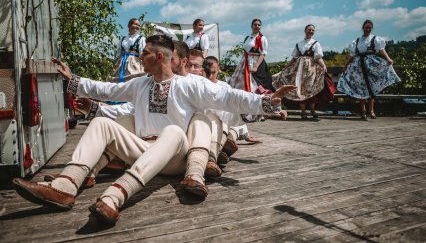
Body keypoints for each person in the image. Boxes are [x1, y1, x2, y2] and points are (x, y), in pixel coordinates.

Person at [12, 35, 293, 224]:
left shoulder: (190, 85)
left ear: (159, 57)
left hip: (175, 156)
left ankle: (115, 196)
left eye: (144, 53)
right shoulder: (140, 84)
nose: (140, 56)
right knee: (100, 123)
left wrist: (267, 101)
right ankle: (65, 186)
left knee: (173, 131)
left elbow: (230, 98)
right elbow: (108, 89)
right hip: (142, 149)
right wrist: (74, 80)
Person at [337, 20, 400, 119]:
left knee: (371, 89)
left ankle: (371, 111)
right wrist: (346, 65)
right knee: (361, 89)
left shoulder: (375, 39)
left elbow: (381, 50)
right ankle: (363, 111)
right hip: (359, 68)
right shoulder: (357, 41)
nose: (368, 29)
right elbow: (352, 56)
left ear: (371, 28)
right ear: (363, 28)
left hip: (371, 66)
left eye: (369, 27)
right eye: (366, 27)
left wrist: (388, 59)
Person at [273, 24, 335, 119]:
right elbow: (294, 58)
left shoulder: (316, 43)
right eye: (309, 29)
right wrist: (286, 68)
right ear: (305, 30)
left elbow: (318, 57)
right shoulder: (299, 44)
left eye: (312, 30)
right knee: (300, 89)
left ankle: (312, 110)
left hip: (311, 69)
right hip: (299, 70)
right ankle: (302, 111)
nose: (311, 31)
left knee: (310, 89)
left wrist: (323, 65)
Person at [229, 18, 275, 93]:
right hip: (245, 63)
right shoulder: (247, 37)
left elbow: (263, 53)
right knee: (240, 82)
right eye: (255, 25)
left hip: (256, 62)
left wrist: (256, 66)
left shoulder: (262, 38)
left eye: (259, 25)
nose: (257, 26)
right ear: (251, 26)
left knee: (256, 84)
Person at [112, 18, 146, 83]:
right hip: (122, 63)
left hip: (134, 63)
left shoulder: (141, 38)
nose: (137, 27)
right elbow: (118, 53)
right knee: (118, 81)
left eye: (139, 25)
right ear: (129, 25)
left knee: (133, 80)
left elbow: (143, 53)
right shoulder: (123, 39)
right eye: (135, 24)